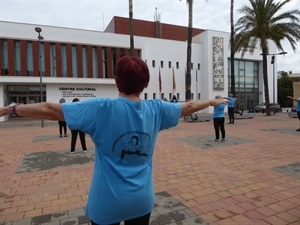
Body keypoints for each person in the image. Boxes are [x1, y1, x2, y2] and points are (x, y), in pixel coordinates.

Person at [0, 56, 228, 225]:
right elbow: (188, 107)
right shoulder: (156, 109)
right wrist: (210, 101)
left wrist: (11, 109)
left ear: (117, 81)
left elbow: (50, 110)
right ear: (145, 83)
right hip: (141, 201)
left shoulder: (101, 108)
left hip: (107, 203)